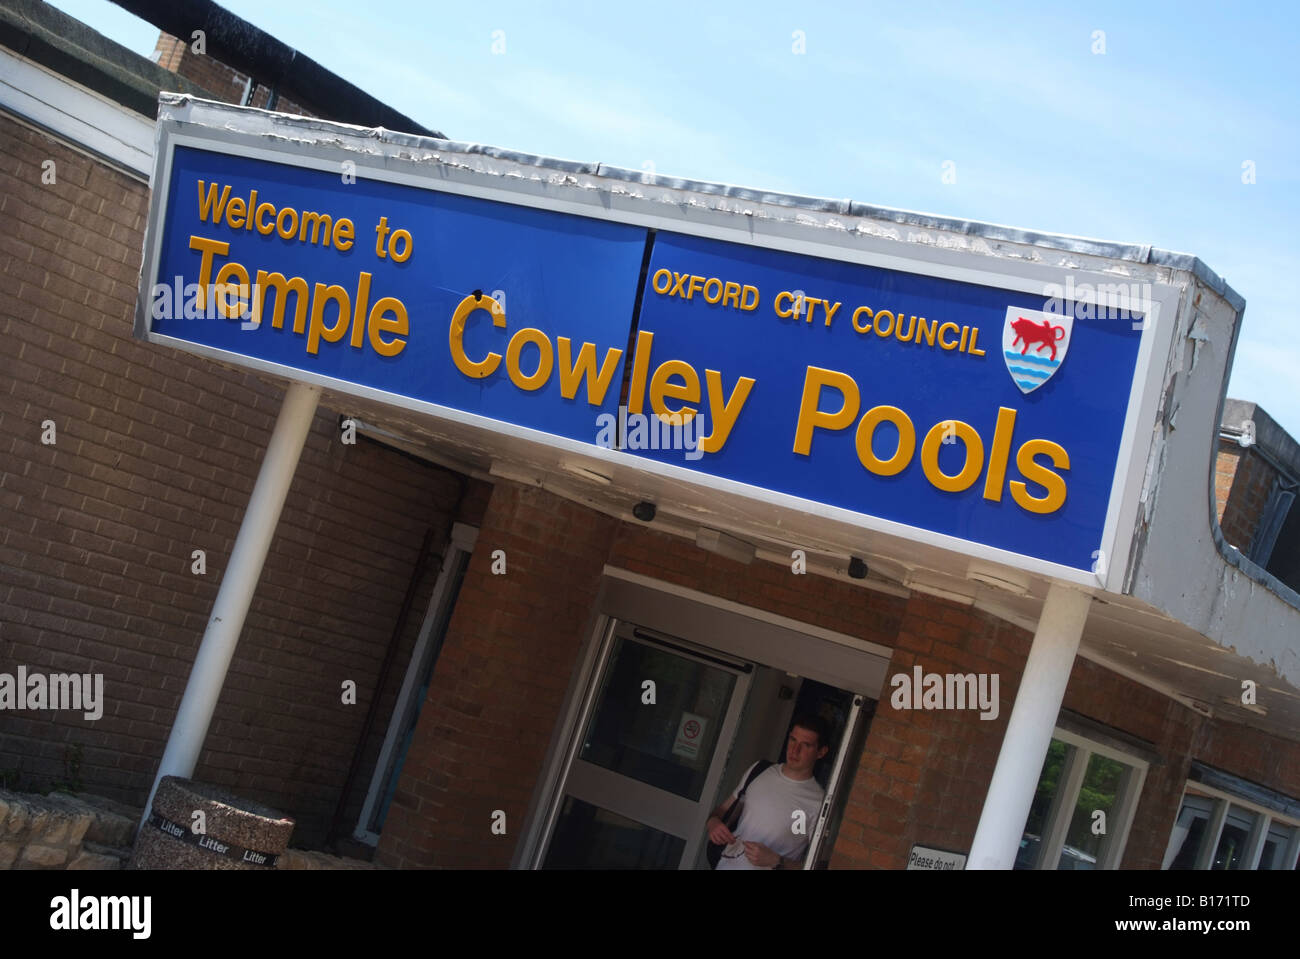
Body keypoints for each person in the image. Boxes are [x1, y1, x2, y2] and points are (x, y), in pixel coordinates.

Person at [705, 713, 830, 870]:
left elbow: (817, 866)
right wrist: (713, 823)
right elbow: (723, 810)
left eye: (806, 745)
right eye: (793, 740)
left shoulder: (818, 802)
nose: (794, 750)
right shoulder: (759, 770)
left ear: (821, 752)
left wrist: (777, 861)